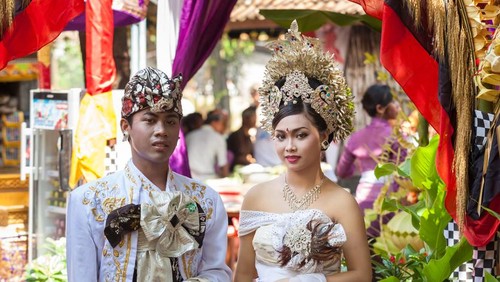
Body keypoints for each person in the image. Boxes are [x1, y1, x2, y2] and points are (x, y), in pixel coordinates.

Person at [234, 21, 372, 281]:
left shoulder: (342, 202)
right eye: (280, 136)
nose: (290, 146)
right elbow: (243, 274)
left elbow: (362, 275)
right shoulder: (255, 197)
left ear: (324, 137)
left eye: (301, 135)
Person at [66, 67, 232, 281]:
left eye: (170, 121)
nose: (161, 130)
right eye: (150, 120)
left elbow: (217, 271)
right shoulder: (89, 201)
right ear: (126, 127)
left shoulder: (205, 200)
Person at [335, 84, 402, 238]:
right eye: (393, 101)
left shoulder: (356, 138)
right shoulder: (396, 136)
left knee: (367, 249)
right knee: (389, 252)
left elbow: (342, 172)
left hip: (363, 201)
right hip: (390, 201)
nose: (397, 106)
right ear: (380, 108)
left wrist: (360, 168)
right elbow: (404, 173)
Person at [185, 109, 229, 181]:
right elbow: (223, 165)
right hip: (208, 179)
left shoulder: (190, 136)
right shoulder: (218, 138)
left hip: (189, 178)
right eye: (223, 124)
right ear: (215, 122)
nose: (224, 128)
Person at [227, 106, 257, 171]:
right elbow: (235, 157)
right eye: (254, 117)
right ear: (246, 118)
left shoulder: (248, 136)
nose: (255, 120)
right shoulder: (235, 136)